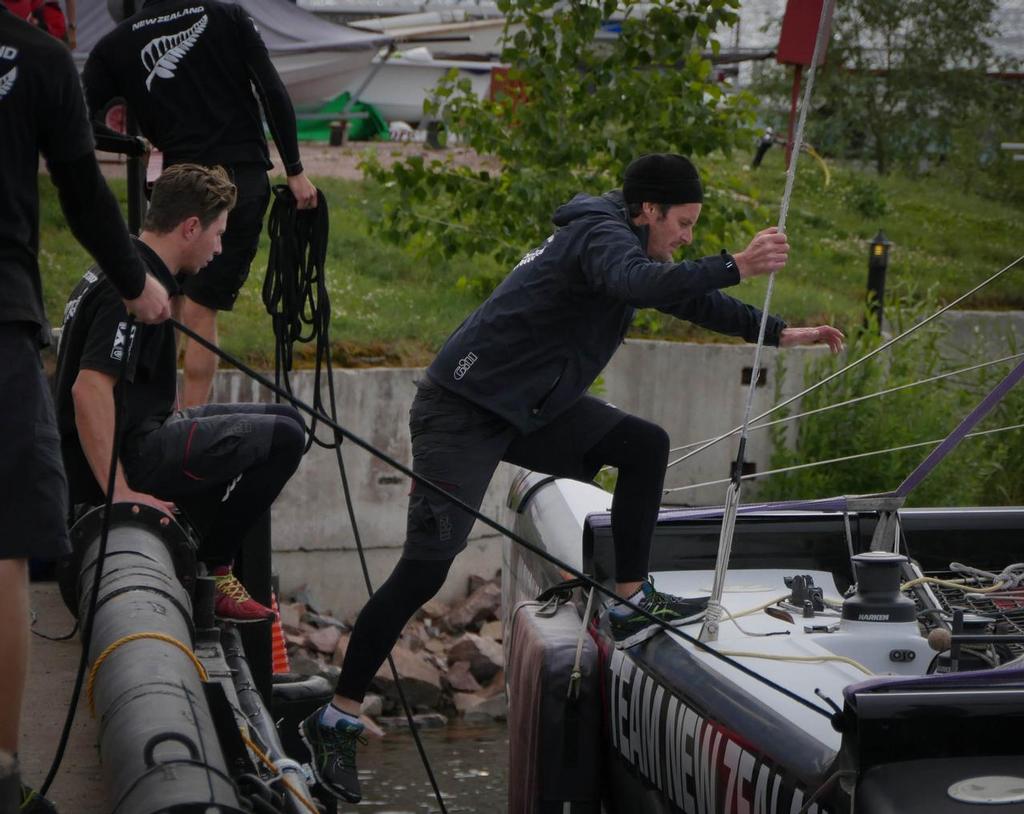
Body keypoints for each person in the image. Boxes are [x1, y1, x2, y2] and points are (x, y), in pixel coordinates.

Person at [298, 153, 845, 803]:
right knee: (424, 569)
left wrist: (782, 333)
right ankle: (334, 717)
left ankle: (630, 602)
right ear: (648, 211)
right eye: (685, 223)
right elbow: (641, 283)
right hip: (462, 413)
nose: (688, 237)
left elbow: (688, 298)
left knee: (644, 446)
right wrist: (739, 262)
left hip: (529, 407)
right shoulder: (602, 237)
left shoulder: (626, 241)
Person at [0, 6, 170, 810]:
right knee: (3, 549)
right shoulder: (36, 61)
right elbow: (83, 195)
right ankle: (2, 775)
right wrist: (138, 288)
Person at [54, 163, 306, 626]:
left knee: (288, 420)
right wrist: (120, 492)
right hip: (129, 457)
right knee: (285, 440)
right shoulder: (126, 289)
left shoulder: (130, 265)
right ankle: (212, 565)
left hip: (144, 433)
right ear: (191, 227)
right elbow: (87, 389)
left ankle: (212, 555)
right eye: (219, 233)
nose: (219, 248)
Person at [82, 0, 319, 408]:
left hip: (177, 185)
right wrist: (295, 169)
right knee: (200, 308)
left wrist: (132, 145)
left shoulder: (115, 42)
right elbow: (271, 90)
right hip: (237, 180)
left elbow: (77, 121)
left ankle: (153, 416)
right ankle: (189, 428)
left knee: (163, 293)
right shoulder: (228, 15)